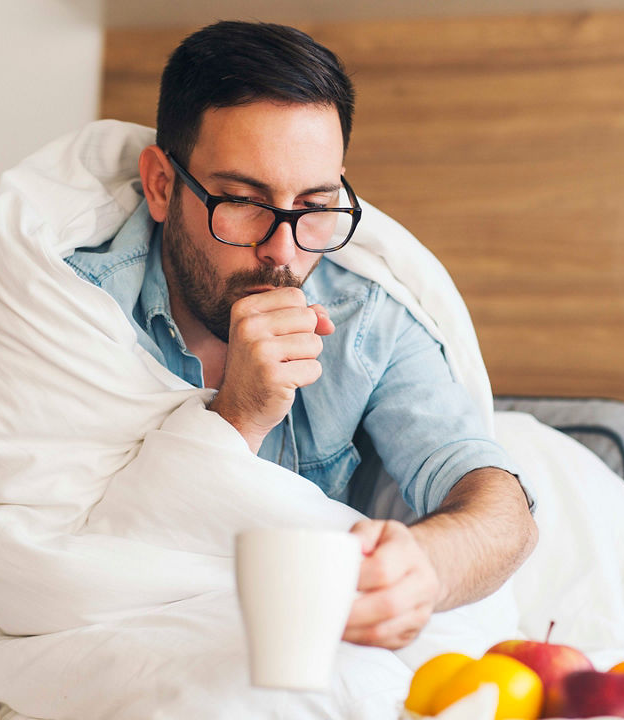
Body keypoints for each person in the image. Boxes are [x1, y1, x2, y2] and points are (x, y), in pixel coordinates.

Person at [62, 20, 537, 651]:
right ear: (161, 185)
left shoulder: (367, 317)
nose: (282, 252)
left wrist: (427, 567)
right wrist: (240, 415)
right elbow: (48, 559)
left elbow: (500, 507)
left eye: (314, 206)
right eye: (243, 201)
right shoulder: (74, 306)